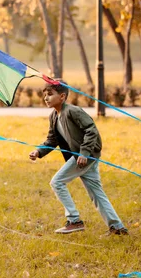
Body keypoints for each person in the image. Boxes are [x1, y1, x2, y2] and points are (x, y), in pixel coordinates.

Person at [28, 82, 128, 235]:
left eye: (50, 94)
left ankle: (74, 220)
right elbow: (51, 140)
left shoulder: (73, 111)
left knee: (57, 182)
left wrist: (84, 152)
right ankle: (118, 228)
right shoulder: (54, 116)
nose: (46, 98)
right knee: (96, 193)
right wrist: (38, 151)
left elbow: (91, 130)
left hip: (84, 156)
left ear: (62, 97)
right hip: (82, 157)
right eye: (45, 95)